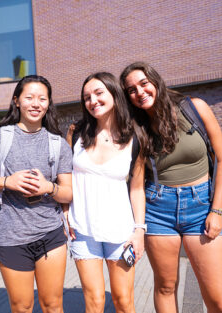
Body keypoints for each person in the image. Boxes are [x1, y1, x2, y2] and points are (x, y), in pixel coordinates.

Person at [120, 62, 222, 313]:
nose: (139, 92)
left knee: (220, 302)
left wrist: (217, 210)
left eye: (143, 84)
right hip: (159, 210)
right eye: (131, 90)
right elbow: (136, 185)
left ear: (155, 81)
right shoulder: (137, 130)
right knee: (166, 287)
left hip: (202, 207)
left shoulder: (195, 108)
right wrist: (138, 227)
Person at [0, 75, 73, 313]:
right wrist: (6, 181)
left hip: (51, 234)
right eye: (29, 97)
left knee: (53, 305)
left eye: (42, 99)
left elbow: (68, 193)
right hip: (11, 237)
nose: (36, 104)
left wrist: (49, 187)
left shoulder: (58, 144)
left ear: (48, 104)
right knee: (22, 306)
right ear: (17, 101)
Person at [65, 72, 146, 313]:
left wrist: (139, 230)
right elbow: (65, 177)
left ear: (114, 94)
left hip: (120, 231)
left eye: (99, 93)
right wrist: (64, 212)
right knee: (95, 301)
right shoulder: (76, 133)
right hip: (82, 230)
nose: (93, 100)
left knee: (123, 301)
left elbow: (137, 187)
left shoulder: (135, 137)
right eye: (87, 97)